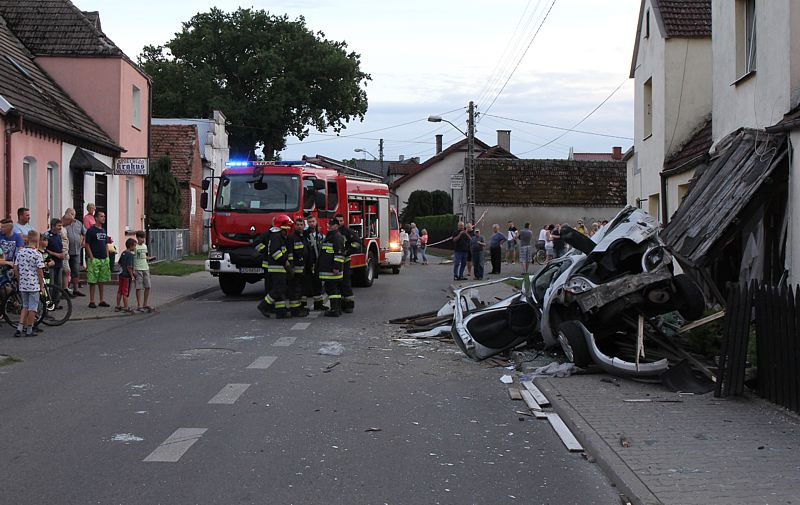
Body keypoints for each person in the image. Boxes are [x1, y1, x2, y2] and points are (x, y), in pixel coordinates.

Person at [255, 215, 293, 319]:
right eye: (286, 228)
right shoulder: (276, 236)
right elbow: (276, 252)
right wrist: (285, 261)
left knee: (281, 289)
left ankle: (281, 311)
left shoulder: (277, 235)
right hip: (277, 267)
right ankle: (264, 305)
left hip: (277, 267)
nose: (287, 230)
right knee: (278, 288)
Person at [13, 230, 44, 337]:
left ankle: (19, 327)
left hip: (23, 284)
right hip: (34, 284)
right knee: (33, 308)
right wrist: (42, 285)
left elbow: (15, 268)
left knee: (24, 306)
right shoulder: (37, 254)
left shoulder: (21, 252)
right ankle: (29, 329)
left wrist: (19, 279)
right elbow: (40, 272)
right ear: (37, 240)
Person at [319, 217, 345, 317]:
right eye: (329, 224)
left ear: (337, 226)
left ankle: (334, 310)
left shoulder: (337, 237)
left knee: (332, 289)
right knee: (334, 290)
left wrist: (336, 267)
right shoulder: (331, 235)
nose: (329, 226)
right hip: (329, 268)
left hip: (333, 270)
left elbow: (339, 254)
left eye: (332, 224)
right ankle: (337, 309)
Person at [84, 211, 111, 308]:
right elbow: (87, 245)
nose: (103, 218)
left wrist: (107, 256)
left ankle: (102, 300)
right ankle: (92, 301)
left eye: (104, 216)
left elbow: (106, 244)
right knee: (92, 280)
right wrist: (91, 258)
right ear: (96, 218)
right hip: (94, 258)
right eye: (101, 216)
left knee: (102, 280)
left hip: (103, 258)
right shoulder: (91, 230)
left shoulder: (103, 230)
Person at [336, 214, 360, 314]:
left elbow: (357, 243)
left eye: (341, 220)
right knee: (337, 283)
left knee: (346, 282)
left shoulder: (348, 232)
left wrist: (348, 251)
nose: (340, 222)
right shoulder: (332, 232)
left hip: (345, 261)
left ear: (344, 221)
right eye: (338, 221)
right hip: (336, 261)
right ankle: (339, 305)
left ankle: (349, 305)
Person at [286, 217, 309, 318]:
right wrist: (291, 267)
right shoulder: (292, 237)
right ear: (294, 226)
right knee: (295, 290)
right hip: (295, 269)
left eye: (301, 225)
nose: (300, 227)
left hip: (303, 268)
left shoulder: (303, 236)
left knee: (301, 289)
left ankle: (299, 308)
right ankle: (295, 310)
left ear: (304, 226)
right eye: (298, 225)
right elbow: (290, 253)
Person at [304, 214, 326, 311]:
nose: (312, 224)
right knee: (306, 285)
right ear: (307, 223)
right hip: (308, 264)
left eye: (313, 221)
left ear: (316, 222)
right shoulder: (305, 235)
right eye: (309, 222)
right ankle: (303, 305)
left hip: (318, 264)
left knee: (318, 284)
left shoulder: (320, 235)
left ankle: (318, 304)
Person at [62, 209, 85, 297]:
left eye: (73, 214)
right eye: (71, 214)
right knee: (66, 271)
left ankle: (75, 289)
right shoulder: (63, 223)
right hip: (66, 251)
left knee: (75, 271)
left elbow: (84, 233)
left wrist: (83, 241)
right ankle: (65, 289)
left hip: (76, 250)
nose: (72, 216)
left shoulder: (78, 223)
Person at [45, 218, 65, 307]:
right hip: (51, 263)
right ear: (53, 226)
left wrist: (62, 254)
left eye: (61, 225)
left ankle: (56, 303)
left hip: (59, 263)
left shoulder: (59, 236)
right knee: (51, 285)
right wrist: (56, 254)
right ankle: (49, 303)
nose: (60, 227)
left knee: (58, 284)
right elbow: (46, 250)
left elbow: (61, 247)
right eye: (59, 226)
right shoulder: (47, 236)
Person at [133, 230, 155, 312]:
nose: (143, 240)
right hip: (138, 269)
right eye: (141, 238)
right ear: (137, 238)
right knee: (138, 287)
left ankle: (145, 303)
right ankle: (139, 305)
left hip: (145, 268)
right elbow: (133, 258)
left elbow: (144, 256)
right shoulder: (135, 247)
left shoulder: (145, 246)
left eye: (144, 238)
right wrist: (133, 270)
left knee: (148, 286)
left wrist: (150, 258)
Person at [115, 238, 136, 312]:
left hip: (121, 274)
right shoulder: (130, 255)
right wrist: (132, 276)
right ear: (131, 246)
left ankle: (117, 306)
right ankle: (126, 307)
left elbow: (119, 263)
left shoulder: (123, 253)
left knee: (120, 291)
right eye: (134, 246)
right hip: (127, 276)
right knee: (125, 292)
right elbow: (129, 267)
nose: (135, 247)